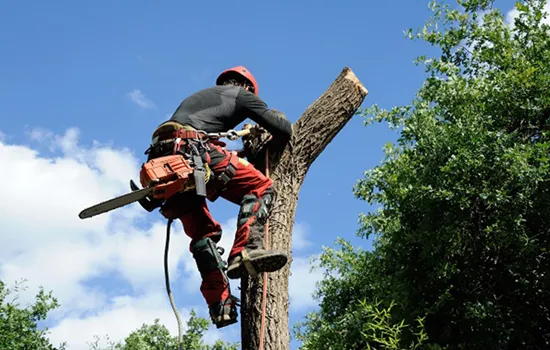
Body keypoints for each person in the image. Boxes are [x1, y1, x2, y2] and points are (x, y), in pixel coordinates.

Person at [144, 66, 293, 328]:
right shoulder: (241, 95)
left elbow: (213, 145)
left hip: (164, 158)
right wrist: (263, 125)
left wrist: (241, 153)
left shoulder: (200, 99)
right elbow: (283, 128)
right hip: (193, 151)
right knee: (261, 187)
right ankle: (245, 251)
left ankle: (219, 304)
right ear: (246, 86)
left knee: (203, 234)